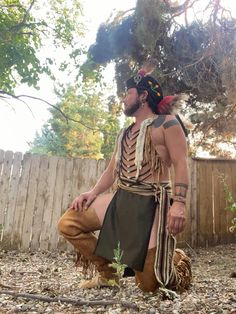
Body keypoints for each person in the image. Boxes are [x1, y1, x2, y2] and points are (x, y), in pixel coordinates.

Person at [58, 60, 192, 293]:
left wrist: (178, 204)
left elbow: (181, 163)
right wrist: (92, 192)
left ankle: (174, 257)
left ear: (142, 96)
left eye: (127, 93)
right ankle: (108, 274)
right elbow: (111, 171)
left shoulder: (166, 123)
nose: (123, 98)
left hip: (151, 204)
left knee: (149, 287)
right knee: (69, 223)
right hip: (122, 199)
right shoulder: (125, 132)